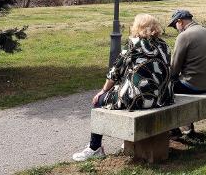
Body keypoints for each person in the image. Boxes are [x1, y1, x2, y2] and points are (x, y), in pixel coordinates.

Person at [72, 14, 174, 162]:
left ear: (137, 27)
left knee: (98, 101)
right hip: (162, 98)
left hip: (140, 99)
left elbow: (115, 72)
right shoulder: (164, 45)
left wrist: (103, 91)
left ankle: (95, 148)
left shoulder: (134, 44)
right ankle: (124, 142)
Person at [168, 9, 206, 136]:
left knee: (162, 88)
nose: (176, 29)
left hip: (193, 85)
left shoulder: (184, 36)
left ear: (180, 21)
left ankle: (173, 129)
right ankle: (186, 127)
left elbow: (174, 70)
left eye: (175, 26)